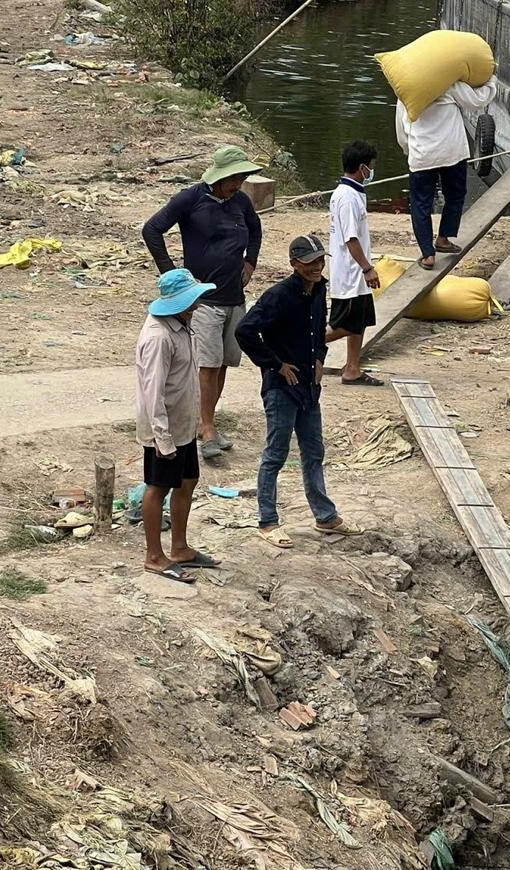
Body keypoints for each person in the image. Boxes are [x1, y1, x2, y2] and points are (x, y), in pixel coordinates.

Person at [235, 235, 363, 546]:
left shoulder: (318, 290)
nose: (316, 267)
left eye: (320, 261)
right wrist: (276, 364)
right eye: (309, 263)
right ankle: (268, 521)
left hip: (309, 387)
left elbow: (318, 328)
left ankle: (325, 516)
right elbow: (245, 331)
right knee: (275, 454)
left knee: (314, 451)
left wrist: (319, 357)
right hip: (282, 388)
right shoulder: (278, 296)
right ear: (294, 264)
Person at [141, 145, 263, 461]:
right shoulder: (191, 199)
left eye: (241, 178)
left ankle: (204, 420)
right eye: (234, 178)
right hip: (204, 300)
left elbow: (255, 229)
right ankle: (207, 428)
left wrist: (250, 262)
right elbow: (152, 229)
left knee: (223, 363)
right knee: (207, 364)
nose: (238, 184)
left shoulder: (241, 202)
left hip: (234, 297)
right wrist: (173, 275)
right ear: (218, 177)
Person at [135, 269, 219, 583]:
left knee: (187, 481)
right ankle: (154, 556)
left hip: (182, 423)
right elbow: (152, 391)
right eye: (192, 300)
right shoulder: (159, 337)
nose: (197, 305)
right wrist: (162, 437)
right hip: (164, 427)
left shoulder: (181, 325)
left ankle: (180, 547)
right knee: (158, 487)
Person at [395, 75, 498, 270]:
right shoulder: (448, 83)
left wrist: (409, 150)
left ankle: (428, 255)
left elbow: (401, 130)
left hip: (422, 155)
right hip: (452, 152)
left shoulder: (406, 88)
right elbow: (478, 100)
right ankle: (443, 238)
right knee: (455, 196)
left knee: (421, 204)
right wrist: (491, 80)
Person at [327, 140, 384, 387]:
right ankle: (302, 341)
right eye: (371, 166)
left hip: (356, 271)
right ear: (362, 168)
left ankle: (352, 368)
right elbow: (350, 238)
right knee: (344, 324)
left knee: (359, 322)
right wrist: (367, 268)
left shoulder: (353, 193)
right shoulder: (347, 197)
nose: (372, 171)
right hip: (351, 272)